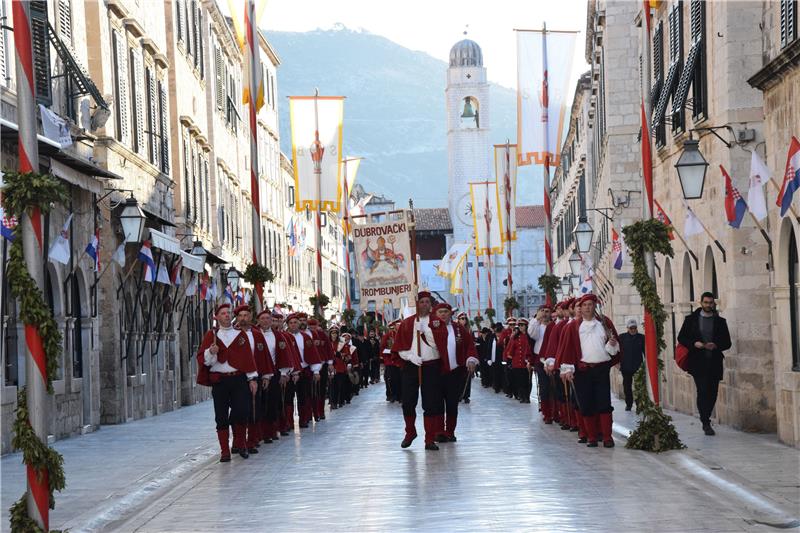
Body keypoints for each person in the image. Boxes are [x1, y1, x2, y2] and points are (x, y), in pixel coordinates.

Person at [196, 303, 258, 462]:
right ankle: (225, 451)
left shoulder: (240, 334)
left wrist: (252, 379)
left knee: (242, 411)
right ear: (217, 317)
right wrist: (211, 352)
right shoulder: (212, 335)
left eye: (229, 313)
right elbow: (205, 361)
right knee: (221, 416)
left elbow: (247, 358)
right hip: (220, 380)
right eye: (223, 313)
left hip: (238, 379)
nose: (227, 315)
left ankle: (241, 444)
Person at [558, 294, 621, 448]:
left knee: (604, 403)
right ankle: (591, 437)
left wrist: (612, 344)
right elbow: (569, 349)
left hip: (601, 369)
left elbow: (613, 349)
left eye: (590, 304)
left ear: (595, 306)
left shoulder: (605, 323)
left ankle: (607, 437)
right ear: (580, 307)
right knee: (586, 404)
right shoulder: (574, 327)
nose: (587, 307)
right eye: (584, 305)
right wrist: (568, 369)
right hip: (583, 370)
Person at [392, 290, 444, 450]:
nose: (424, 305)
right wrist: (410, 356)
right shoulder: (407, 323)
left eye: (427, 302)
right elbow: (399, 345)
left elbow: (441, 345)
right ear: (417, 303)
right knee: (408, 402)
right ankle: (410, 431)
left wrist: (426, 332)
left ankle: (429, 439)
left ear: (431, 304)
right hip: (411, 365)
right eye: (422, 302)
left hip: (430, 366)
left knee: (431, 403)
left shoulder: (437, 322)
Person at [677, 292, 732, 436]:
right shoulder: (691, 320)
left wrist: (716, 345)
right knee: (702, 391)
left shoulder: (720, 322)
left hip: (714, 362)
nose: (708, 305)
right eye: (706, 302)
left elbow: (727, 342)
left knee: (713, 392)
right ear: (701, 303)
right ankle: (705, 422)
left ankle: (705, 417)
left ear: (713, 303)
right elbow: (681, 337)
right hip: (697, 362)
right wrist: (694, 344)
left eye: (710, 302)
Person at [429, 303, 479, 442]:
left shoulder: (458, 329)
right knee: (437, 403)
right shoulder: (430, 329)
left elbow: (469, 345)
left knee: (452, 404)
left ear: (450, 313)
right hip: (436, 372)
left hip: (454, 372)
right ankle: (438, 431)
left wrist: (471, 359)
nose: (443, 314)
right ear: (435, 314)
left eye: (446, 311)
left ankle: (450, 431)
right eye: (440, 312)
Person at [234, 305, 275, 454]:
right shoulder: (232, 334)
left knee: (253, 408)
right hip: (237, 377)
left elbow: (264, 356)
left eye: (246, 315)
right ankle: (238, 441)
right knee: (238, 411)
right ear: (237, 318)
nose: (243, 318)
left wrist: (266, 375)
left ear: (251, 317)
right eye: (240, 315)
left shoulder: (257, 335)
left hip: (254, 377)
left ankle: (251, 441)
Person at [256, 310, 295, 442]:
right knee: (258, 403)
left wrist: (284, 373)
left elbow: (284, 354)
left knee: (273, 402)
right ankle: (258, 433)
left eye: (268, 318)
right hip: (257, 373)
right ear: (258, 320)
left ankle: (270, 431)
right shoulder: (254, 335)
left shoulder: (278, 336)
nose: (266, 321)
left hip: (274, 372)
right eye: (263, 318)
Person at [285, 313, 322, 429]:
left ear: (299, 323)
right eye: (291, 323)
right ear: (288, 325)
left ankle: (304, 419)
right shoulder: (283, 337)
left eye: (295, 322)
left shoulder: (305, 337)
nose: (293, 325)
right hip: (288, 371)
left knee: (304, 396)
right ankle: (289, 422)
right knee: (288, 398)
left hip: (304, 370)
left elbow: (313, 354)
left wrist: (316, 370)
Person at [528, 305, 555, 417]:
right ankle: (546, 413)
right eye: (542, 311)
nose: (545, 314)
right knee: (544, 387)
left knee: (555, 388)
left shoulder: (554, 326)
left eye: (547, 311)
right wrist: (536, 319)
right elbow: (532, 334)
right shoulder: (537, 327)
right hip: (540, 359)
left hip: (553, 358)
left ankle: (556, 412)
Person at [504, 317, 534, 403]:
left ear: (526, 326)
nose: (520, 327)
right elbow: (511, 349)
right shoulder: (516, 337)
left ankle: (527, 396)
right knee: (519, 380)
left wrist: (530, 360)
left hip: (527, 362)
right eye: (519, 325)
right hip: (517, 362)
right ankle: (522, 396)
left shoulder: (530, 336)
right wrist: (509, 359)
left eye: (522, 325)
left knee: (527, 380)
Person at [619, 318, 645, 411]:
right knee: (627, 387)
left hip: (638, 367)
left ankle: (639, 405)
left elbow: (645, 352)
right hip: (626, 367)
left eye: (634, 328)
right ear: (627, 328)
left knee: (639, 387)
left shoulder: (642, 338)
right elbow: (617, 351)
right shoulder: (622, 337)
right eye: (631, 328)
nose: (633, 330)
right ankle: (629, 404)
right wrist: (617, 363)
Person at [456, 312, 475, 403]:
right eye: (461, 318)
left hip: (467, 356)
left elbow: (472, 343)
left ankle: (466, 395)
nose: (463, 320)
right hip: (458, 356)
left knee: (467, 377)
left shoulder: (469, 330)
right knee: (458, 378)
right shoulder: (455, 329)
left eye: (464, 318)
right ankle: (459, 394)